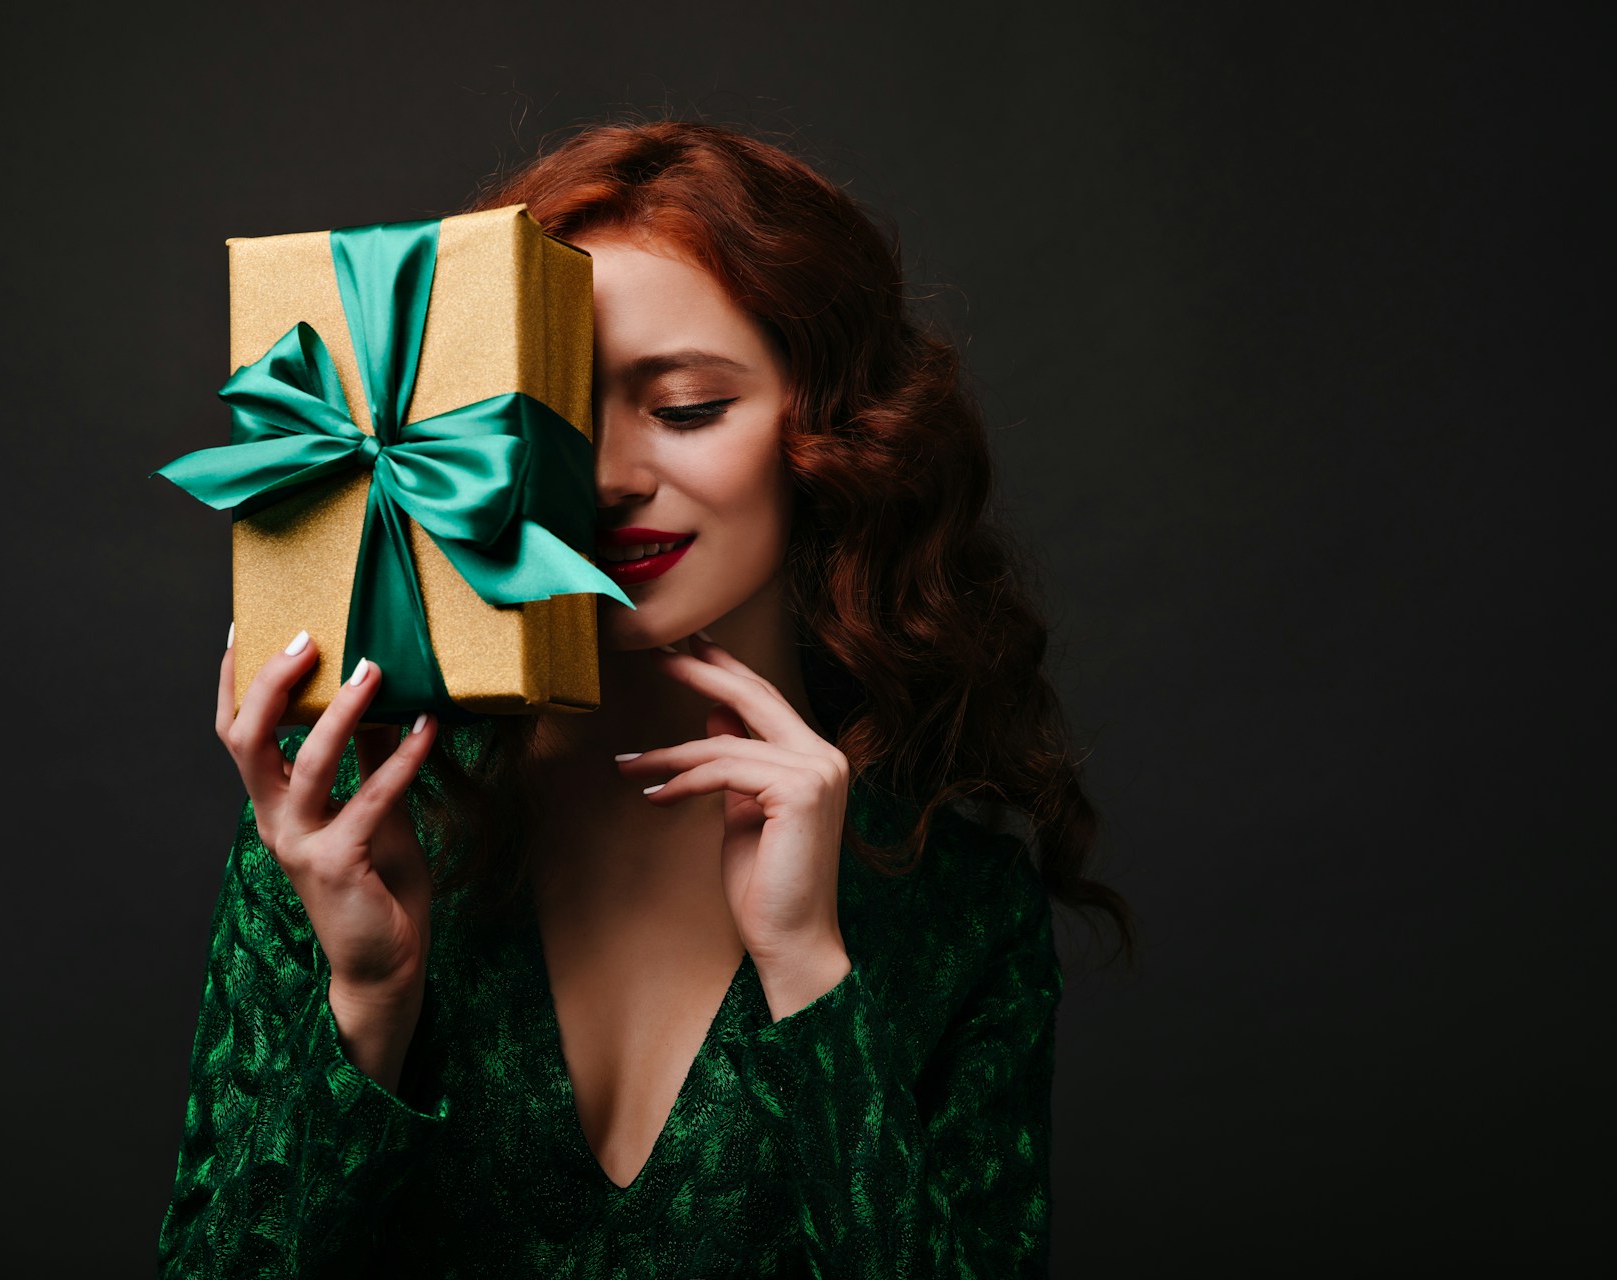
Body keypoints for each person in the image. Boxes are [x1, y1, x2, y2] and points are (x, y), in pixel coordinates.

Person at [156, 118, 1135, 1278]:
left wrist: (811, 975)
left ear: (828, 435)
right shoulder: (347, 841)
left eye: (683, 407)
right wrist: (368, 1000)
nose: (610, 477)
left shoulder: (960, 906)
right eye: (557, 419)